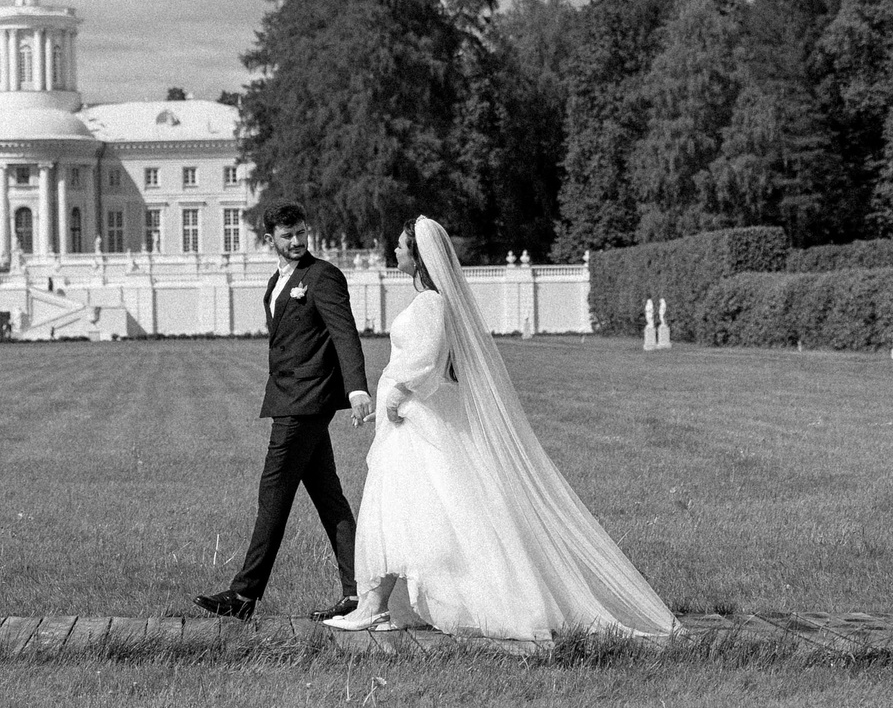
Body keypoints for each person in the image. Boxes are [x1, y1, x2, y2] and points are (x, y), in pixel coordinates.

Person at [329, 216, 675, 640]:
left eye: (401, 248)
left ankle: (373, 606)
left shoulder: (430, 303)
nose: (395, 253)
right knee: (411, 510)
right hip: (412, 419)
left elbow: (426, 358)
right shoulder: (430, 301)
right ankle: (376, 603)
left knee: (402, 508)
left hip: (415, 419)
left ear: (417, 258)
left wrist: (398, 395)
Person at [194, 204, 373, 621]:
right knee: (330, 499)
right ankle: (358, 591)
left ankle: (243, 595)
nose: (297, 242)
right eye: (288, 236)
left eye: (301, 233)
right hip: (289, 398)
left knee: (272, 494)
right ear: (269, 239)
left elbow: (343, 332)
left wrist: (357, 386)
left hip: (305, 403)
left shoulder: (322, 276)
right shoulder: (276, 282)